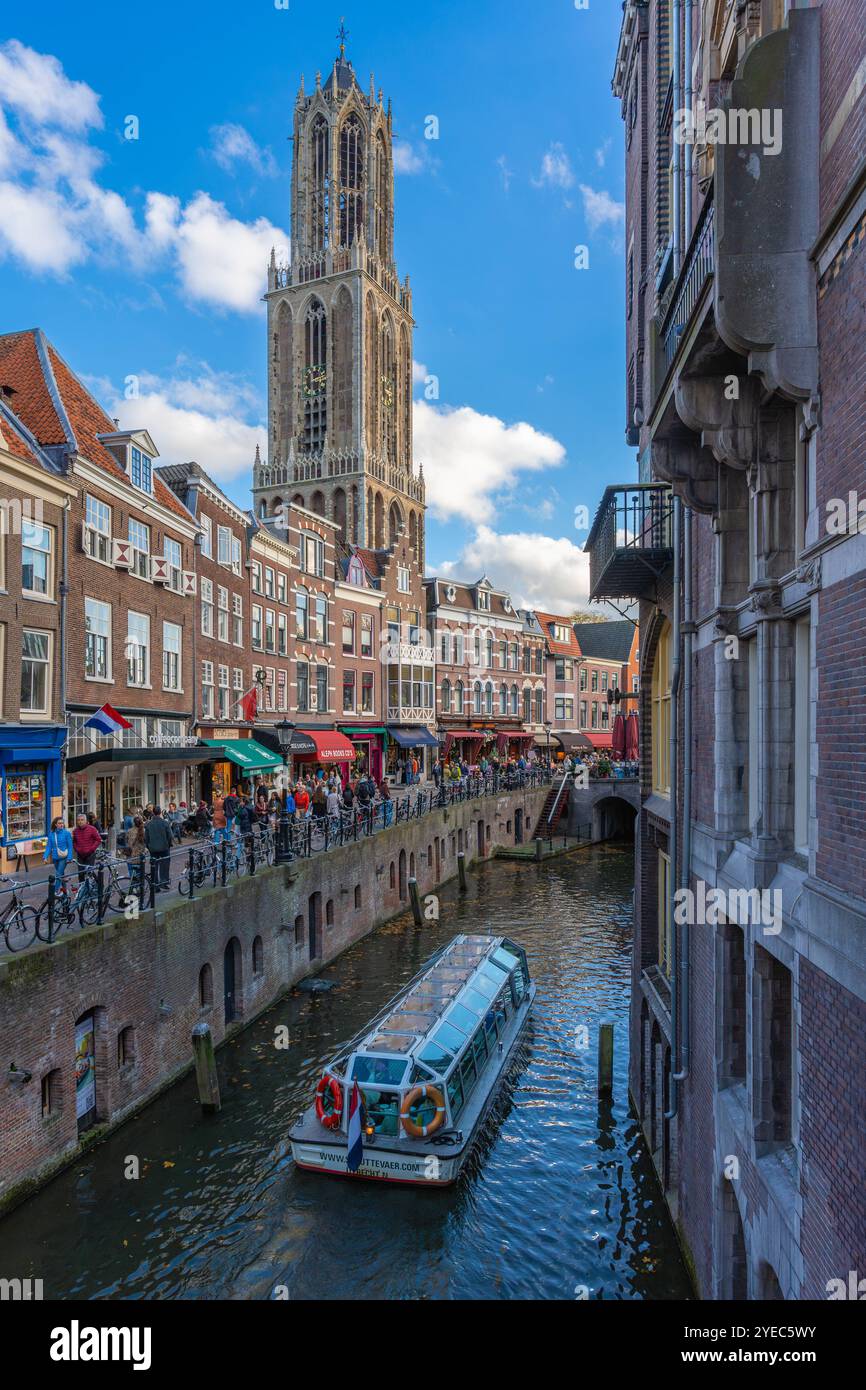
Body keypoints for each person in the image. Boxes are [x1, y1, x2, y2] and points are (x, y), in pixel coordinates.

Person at [144, 807, 173, 891]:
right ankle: (164, 883)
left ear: (153, 813)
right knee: (164, 866)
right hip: (164, 848)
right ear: (160, 813)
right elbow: (170, 836)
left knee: (154, 866)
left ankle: (155, 885)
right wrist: (168, 844)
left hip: (153, 849)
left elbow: (146, 838)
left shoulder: (149, 824)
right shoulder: (165, 823)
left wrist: (148, 846)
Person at [43, 816, 73, 892]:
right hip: (55, 858)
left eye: (62, 823)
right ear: (55, 824)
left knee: (58, 875)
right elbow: (49, 847)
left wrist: (69, 858)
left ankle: (54, 893)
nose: (61, 825)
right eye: (59, 823)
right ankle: (65, 892)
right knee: (61, 874)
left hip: (64, 857)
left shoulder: (67, 833)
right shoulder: (51, 834)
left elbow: (70, 846)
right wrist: (45, 857)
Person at [72, 813, 102, 879]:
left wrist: (91, 849)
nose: (80, 821)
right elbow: (74, 842)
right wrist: (77, 849)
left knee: (89, 872)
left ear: (86, 821)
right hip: (80, 855)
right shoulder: (75, 831)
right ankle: (82, 888)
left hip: (90, 855)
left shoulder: (92, 829)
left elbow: (98, 840)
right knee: (81, 873)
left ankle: (97, 885)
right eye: (78, 820)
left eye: (82, 820)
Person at [124, 815, 146, 899]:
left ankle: (134, 889)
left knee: (131, 873)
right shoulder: (143, 831)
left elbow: (126, 841)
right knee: (140, 873)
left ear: (133, 823)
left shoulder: (129, 831)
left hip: (130, 856)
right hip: (140, 856)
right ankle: (140, 888)